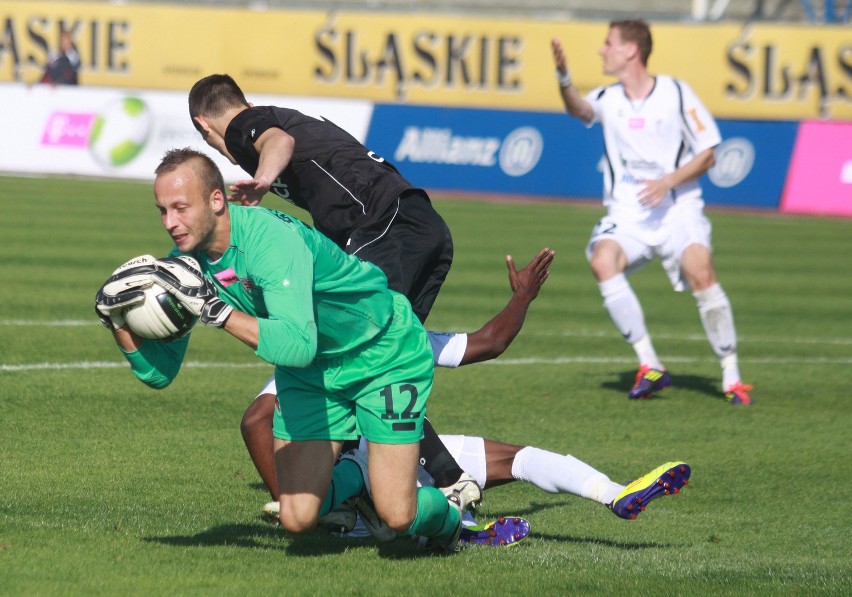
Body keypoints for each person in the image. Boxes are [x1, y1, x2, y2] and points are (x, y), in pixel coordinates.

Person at [94, 148, 467, 552]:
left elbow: (297, 346)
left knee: (398, 514)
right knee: (298, 518)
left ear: (216, 200)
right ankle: (359, 474)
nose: (170, 223)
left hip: (382, 353)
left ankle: (453, 519)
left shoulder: (272, 243)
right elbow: (158, 373)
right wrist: (116, 322)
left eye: (180, 208)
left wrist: (214, 311)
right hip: (313, 376)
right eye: (162, 211)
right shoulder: (185, 266)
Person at [188, 73, 474, 496]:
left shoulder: (246, 125)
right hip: (418, 224)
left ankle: (436, 479)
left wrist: (264, 181)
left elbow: (278, 143)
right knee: (384, 357)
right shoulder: (284, 119)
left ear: (203, 125)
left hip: (385, 227)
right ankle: (428, 480)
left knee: (348, 357)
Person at [551, 20, 753, 405]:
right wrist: (563, 77)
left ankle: (732, 377)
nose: (602, 50)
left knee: (701, 271)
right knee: (602, 260)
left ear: (631, 50)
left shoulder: (676, 93)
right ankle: (650, 364)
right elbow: (579, 108)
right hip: (629, 213)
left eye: (608, 43)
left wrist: (667, 182)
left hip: (678, 208)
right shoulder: (609, 97)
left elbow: (708, 152)